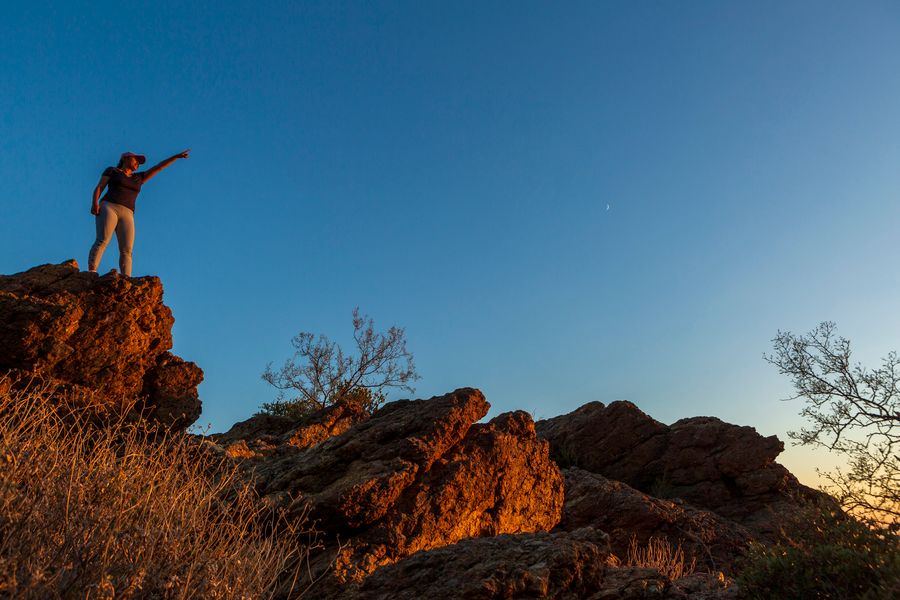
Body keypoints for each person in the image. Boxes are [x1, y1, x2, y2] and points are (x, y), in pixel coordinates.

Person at [87, 149, 190, 277]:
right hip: (109, 206)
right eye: (136, 159)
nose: (138, 163)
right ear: (125, 158)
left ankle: (127, 278)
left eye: (139, 162)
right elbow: (100, 186)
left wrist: (175, 157)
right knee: (103, 240)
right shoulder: (112, 171)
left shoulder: (139, 178)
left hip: (128, 213)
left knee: (127, 249)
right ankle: (92, 271)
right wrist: (95, 203)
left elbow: (159, 167)